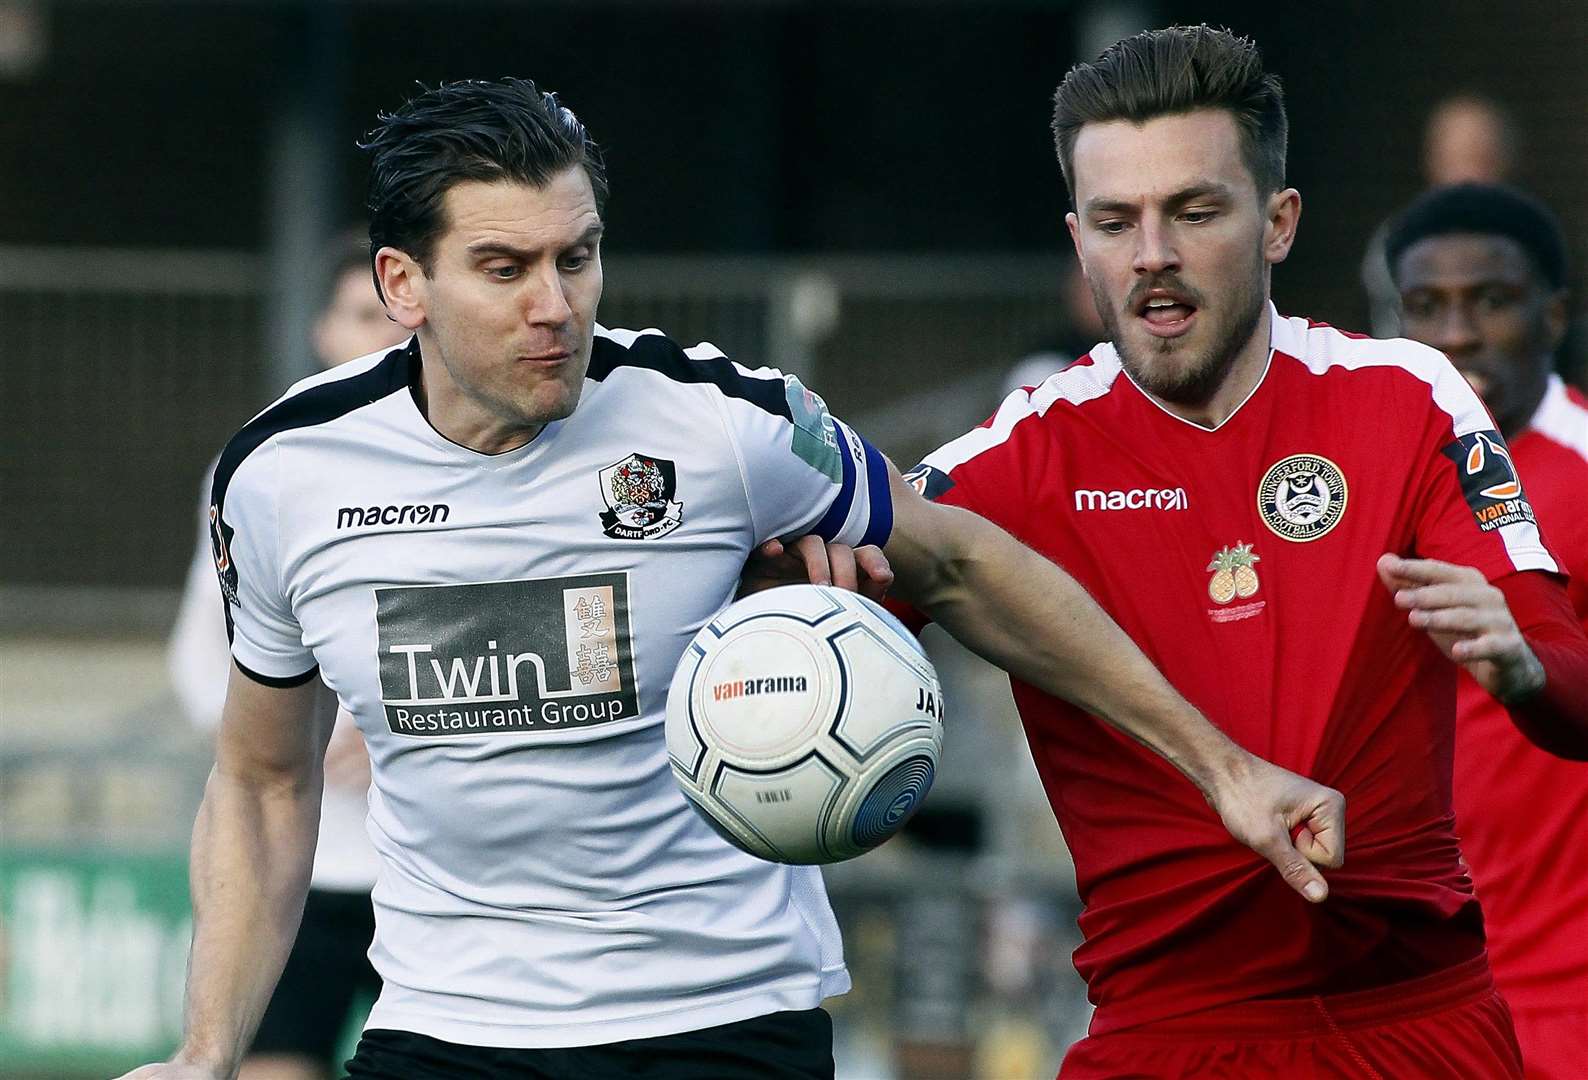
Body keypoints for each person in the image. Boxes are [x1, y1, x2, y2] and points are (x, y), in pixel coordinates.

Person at [121, 79, 1343, 1080]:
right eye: (505, 269)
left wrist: (1220, 763)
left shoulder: (724, 424)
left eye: (579, 258)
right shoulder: (282, 477)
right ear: (403, 288)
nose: (557, 308)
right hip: (450, 1024)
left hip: (719, 1014)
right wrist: (204, 1052)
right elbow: (264, 778)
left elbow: (967, 563)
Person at [898, 26, 1588, 1078]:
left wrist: (1527, 668)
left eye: (1194, 212)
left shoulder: (1405, 397)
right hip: (1163, 1039)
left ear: (1277, 223)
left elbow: (1565, 683)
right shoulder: (1017, 455)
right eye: (1115, 221)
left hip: (1418, 1024)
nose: (1152, 255)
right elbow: (832, 580)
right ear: (1077, 239)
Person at [165, 231, 411, 1080]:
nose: (381, 335)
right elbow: (204, 655)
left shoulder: (479, 471)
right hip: (302, 877)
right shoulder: (270, 468)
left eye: (394, 318)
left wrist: (408, 729)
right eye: (357, 315)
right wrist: (287, 734)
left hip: (424, 879)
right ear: (322, 332)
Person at [1387, 183, 1588, 1079]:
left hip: (1564, 996)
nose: (1457, 334)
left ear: (1552, 315)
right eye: (1427, 307)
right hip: (1405, 990)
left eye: (1491, 302)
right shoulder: (1358, 483)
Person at [1361, 94, 1519, 337]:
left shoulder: (1533, 241)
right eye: (1456, 158)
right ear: (1432, 159)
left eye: (1479, 158)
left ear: (1504, 160)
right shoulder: (1397, 239)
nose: (1467, 176)